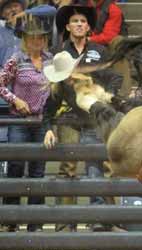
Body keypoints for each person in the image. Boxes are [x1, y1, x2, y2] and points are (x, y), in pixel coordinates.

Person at [43, 4, 121, 231]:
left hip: (94, 116)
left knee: (97, 165)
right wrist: (47, 125)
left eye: (83, 22)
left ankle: (101, 219)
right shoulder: (60, 54)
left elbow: (115, 78)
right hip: (68, 116)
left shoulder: (100, 50)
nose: (79, 24)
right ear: (67, 27)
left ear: (88, 27)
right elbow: (54, 93)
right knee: (68, 166)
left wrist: (107, 98)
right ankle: (66, 220)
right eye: (75, 21)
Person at [0, 14, 53, 232]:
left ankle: (35, 222)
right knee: (15, 167)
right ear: (25, 39)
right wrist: (15, 99)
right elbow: (1, 85)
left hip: (41, 120)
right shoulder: (16, 59)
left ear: (45, 39)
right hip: (20, 119)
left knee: (38, 171)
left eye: (40, 37)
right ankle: (11, 220)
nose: (36, 41)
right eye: (32, 38)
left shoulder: (52, 59)